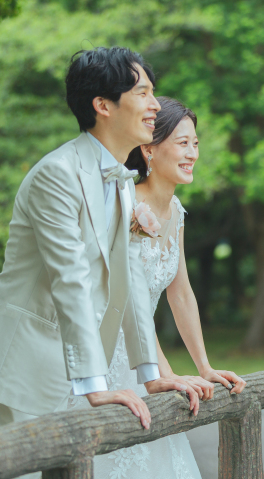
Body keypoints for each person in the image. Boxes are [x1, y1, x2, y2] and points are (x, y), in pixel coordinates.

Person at [0, 48, 190, 460]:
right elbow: (69, 280)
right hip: (22, 368)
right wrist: (97, 385)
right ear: (102, 105)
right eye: (143, 93)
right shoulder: (57, 174)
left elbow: (129, 279)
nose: (156, 105)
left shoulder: (123, 180)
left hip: (73, 371)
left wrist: (150, 376)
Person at [69, 97, 246, 478]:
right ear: (148, 149)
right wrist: (165, 373)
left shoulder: (176, 211)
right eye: (183, 143)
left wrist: (204, 366)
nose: (192, 153)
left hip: (143, 350)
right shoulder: (124, 205)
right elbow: (126, 299)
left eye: (195, 143)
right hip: (114, 352)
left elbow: (180, 293)